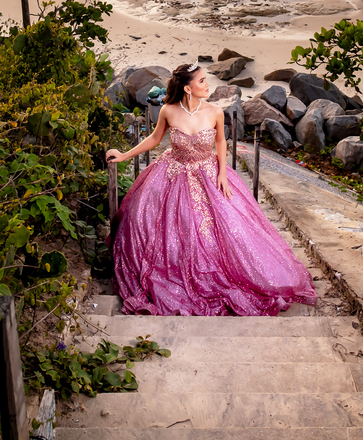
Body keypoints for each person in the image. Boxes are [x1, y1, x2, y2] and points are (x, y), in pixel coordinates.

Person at [105, 63, 318, 316]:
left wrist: (222, 174)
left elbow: (220, 141)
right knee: (166, 225)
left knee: (230, 226)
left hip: (209, 173)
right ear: (188, 88)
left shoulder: (216, 111)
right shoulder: (168, 110)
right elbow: (154, 139)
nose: (208, 85)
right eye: (203, 81)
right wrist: (124, 155)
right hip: (174, 172)